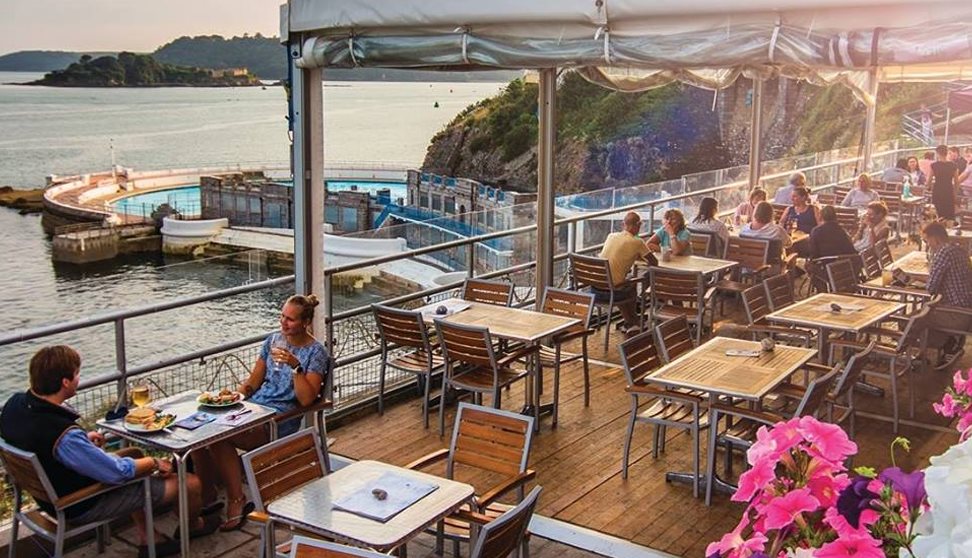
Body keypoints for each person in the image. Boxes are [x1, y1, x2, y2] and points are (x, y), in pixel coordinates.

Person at [0, 346, 220, 558]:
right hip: (78, 504)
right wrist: (154, 463)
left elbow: (42, 443)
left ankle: (149, 537)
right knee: (189, 482)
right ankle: (193, 525)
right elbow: (117, 473)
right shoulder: (64, 435)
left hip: (47, 495)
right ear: (65, 382)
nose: (79, 379)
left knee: (133, 454)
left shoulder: (15, 405)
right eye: (77, 374)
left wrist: (83, 441)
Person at [195, 294, 330, 531]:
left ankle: (237, 500)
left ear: (305, 322)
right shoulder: (273, 341)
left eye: (290, 319)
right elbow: (253, 383)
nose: (283, 323)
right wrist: (233, 397)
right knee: (202, 428)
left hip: (278, 420)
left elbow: (306, 399)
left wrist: (295, 366)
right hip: (252, 410)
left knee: (218, 436)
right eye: (282, 317)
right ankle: (207, 495)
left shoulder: (316, 352)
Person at [920, 222, 972, 369]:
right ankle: (949, 344)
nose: (927, 245)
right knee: (925, 312)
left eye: (926, 241)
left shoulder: (943, 252)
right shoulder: (958, 249)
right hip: (966, 306)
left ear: (935, 238)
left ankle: (948, 345)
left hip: (957, 313)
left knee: (914, 319)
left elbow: (931, 288)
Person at [597, 211, 650, 333]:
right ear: (637, 226)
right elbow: (653, 262)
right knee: (630, 283)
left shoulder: (611, 236)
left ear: (623, 224)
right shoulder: (637, 242)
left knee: (625, 281)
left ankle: (631, 321)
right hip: (612, 293)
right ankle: (633, 322)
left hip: (596, 289)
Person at [930, 144, 960, 221]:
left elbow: (928, 181)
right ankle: (948, 229)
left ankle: (939, 228)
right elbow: (957, 182)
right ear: (947, 153)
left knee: (939, 212)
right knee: (949, 213)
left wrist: (930, 187)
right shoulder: (953, 165)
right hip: (948, 190)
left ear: (937, 153)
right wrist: (955, 194)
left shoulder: (934, 165)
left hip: (937, 189)